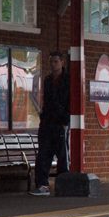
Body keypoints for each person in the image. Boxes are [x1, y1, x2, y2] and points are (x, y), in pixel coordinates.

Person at [30, 51, 69, 195]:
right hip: (47, 121)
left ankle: (63, 184)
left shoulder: (68, 80)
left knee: (62, 155)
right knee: (43, 154)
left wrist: (65, 119)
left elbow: (69, 100)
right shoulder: (47, 80)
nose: (53, 65)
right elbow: (46, 100)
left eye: (56, 62)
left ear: (62, 62)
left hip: (61, 122)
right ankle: (42, 185)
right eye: (51, 62)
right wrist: (43, 115)